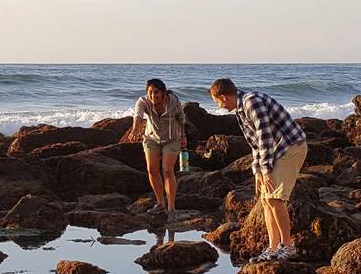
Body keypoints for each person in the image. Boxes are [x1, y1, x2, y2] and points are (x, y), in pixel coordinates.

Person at [209, 78, 307, 262]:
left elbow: (265, 136)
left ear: (223, 97)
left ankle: (288, 246)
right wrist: (257, 172)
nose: (219, 107)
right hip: (277, 151)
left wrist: (266, 170)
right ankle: (273, 247)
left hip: (291, 147)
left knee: (275, 198)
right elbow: (254, 143)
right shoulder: (240, 109)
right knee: (266, 200)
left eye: (217, 102)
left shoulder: (251, 101)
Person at [130, 79, 187, 223]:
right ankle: (161, 203)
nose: (152, 95)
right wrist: (135, 130)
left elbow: (181, 120)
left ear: (163, 93)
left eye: (156, 92)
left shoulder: (174, 102)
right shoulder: (143, 101)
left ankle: (172, 209)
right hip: (151, 139)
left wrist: (183, 136)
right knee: (152, 170)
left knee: (167, 170)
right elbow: (138, 116)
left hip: (172, 139)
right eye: (150, 92)